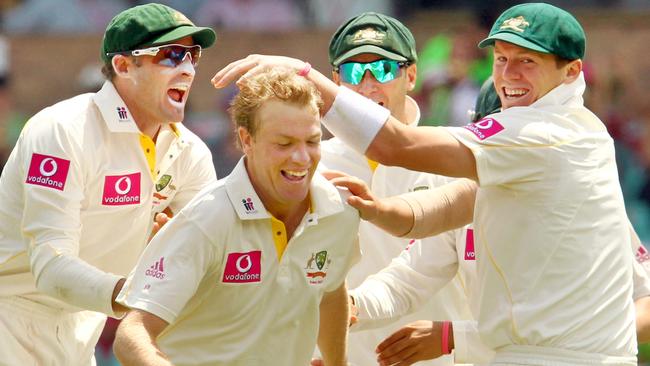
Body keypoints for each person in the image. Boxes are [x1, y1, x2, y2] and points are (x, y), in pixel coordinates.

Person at [212, 3, 639, 364]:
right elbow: (427, 228)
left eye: (527, 60)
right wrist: (370, 220)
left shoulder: (545, 133)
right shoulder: (523, 152)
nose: (509, 73)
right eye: (502, 58)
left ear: (571, 72)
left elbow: (396, 145)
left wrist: (301, 74)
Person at [0, 3, 217, 364]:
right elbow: (51, 266)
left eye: (193, 56)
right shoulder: (62, 130)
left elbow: (214, 259)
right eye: (171, 55)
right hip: (9, 314)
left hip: (84, 323)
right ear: (123, 66)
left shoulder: (189, 151)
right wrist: (140, 294)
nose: (188, 69)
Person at [113, 67, 361, 366]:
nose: (301, 158)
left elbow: (331, 290)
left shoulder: (339, 211)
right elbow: (132, 332)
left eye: (311, 141)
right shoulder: (206, 218)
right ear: (247, 140)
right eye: (284, 144)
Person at [317, 12, 473, 366]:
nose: (368, 85)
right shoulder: (310, 164)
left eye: (384, 70)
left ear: (412, 75)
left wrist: (457, 338)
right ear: (334, 82)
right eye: (354, 72)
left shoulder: (453, 157)